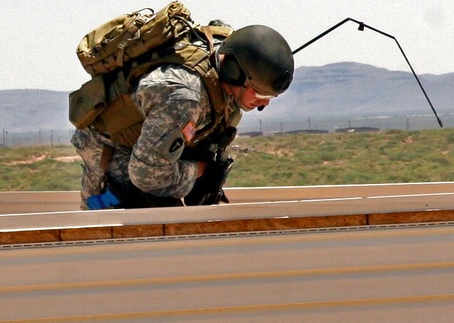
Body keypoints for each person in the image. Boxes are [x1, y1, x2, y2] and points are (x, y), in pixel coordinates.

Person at [72, 22, 294, 209]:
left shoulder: (229, 74)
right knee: (134, 232)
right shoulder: (183, 97)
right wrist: (197, 171)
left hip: (150, 147)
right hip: (111, 149)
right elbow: (147, 173)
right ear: (234, 74)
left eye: (270, 97)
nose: (263, 103)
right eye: (260, 94)